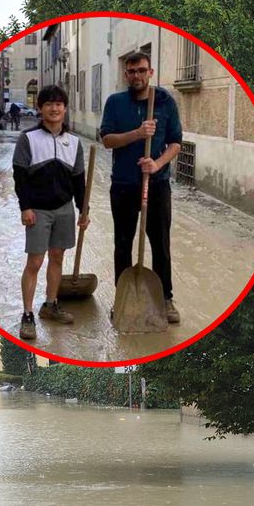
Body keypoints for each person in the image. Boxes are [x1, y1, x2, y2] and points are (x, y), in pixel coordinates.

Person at [98, 51, 183, 324]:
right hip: (123, 185)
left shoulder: (166, 101)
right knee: (122, 244)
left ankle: (166, 298)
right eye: (132, 71)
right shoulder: (115, 102)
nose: (136, 75)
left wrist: (157, 164)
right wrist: (137, 133)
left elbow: (176, 143)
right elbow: (107, 140)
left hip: (156, 185)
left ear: (151, 72)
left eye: (142, 70)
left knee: (160, 244)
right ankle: (122, 299)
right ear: (126, 74)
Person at [12, 84, 89, 340]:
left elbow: (80, 181)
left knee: (57, 258)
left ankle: (51, 304)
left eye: (59, 104)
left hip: (64, 209)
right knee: (35, 262)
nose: (54, 108)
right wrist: (25, 208)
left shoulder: (74, 142)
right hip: (38, 210)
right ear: (40, 108)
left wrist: (83, 211)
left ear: (65, 109)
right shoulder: (28, 139)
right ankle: (27, 314)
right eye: (49, 104)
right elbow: (20, 178)